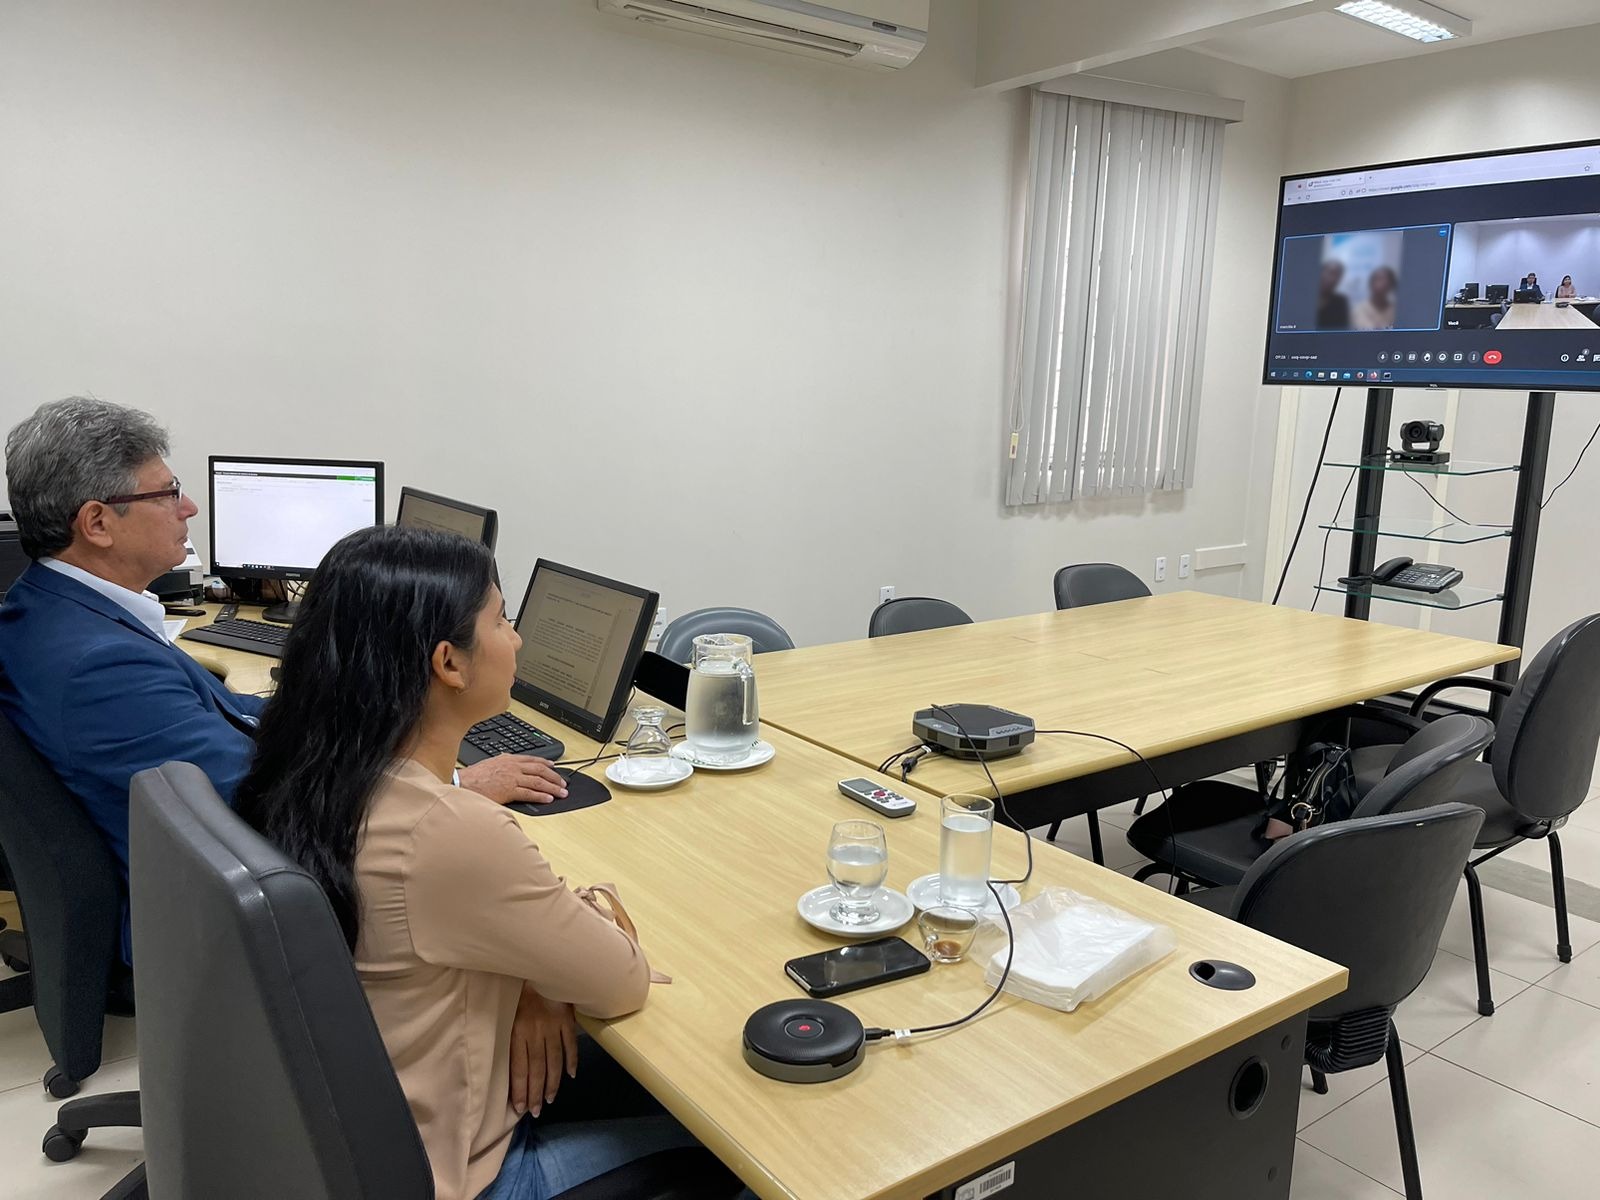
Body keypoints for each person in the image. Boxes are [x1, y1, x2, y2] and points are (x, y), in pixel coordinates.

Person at [237, 526, 747, 1200]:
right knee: (739, 1140)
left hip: (370, 1125)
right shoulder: (446, 832)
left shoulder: (312, 767)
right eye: (503, 620)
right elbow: (620, 982)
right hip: (463, 1172)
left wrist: (533, 976)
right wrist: (565, 931)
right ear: (448, 663)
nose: (518, 640)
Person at [0, 397, 568, 961]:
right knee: (508, 920)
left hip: (205, 877)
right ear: (97, 522)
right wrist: (453, 788)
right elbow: (266, 808)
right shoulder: (95, 667)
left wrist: (362, 704)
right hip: (223, 922)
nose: (189, 507)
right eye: (167, 494)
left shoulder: (56, 612)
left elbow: (226, 710)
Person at [1352, 265, 1398, 330]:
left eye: (1385, 280)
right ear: (1370, 283)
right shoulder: (1358, 311)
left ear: (1391, 285)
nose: (1381, 284)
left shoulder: (1395, 312)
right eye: (1378, 279)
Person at [1316, 259, 1351, 329]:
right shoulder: (1304, 298)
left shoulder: (1340, 302)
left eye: (1334, 274)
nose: (1327, 277)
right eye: (1326, 271)